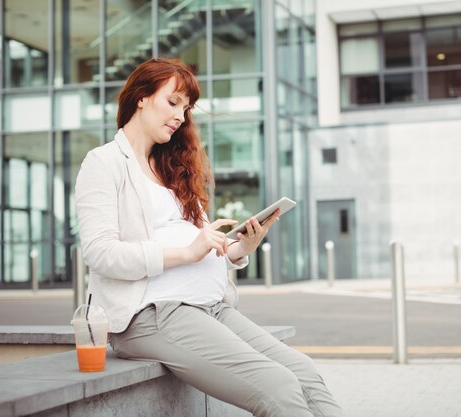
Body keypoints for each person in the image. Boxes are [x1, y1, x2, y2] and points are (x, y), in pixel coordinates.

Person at [74, 58, 345, 417]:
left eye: (185, 109)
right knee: (277, 386)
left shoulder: (171, 168)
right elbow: (100, 253)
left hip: (210, 308)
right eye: (173, 103)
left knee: (304, 374)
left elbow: (204, 245)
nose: (180, 117)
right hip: (153, 314)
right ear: (141, 97)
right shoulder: (104, 162)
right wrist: (186, 253)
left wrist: (238, 249)